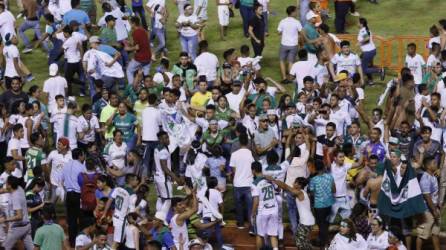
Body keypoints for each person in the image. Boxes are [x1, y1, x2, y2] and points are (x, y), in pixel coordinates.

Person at [62, 148, 86, 248]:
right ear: (80, 155)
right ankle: (81, 242)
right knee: (81, 218)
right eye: (83, 155)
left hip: (69, 194)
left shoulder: (66, 165)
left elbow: (61, 180)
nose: (84, 157)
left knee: (71, 220)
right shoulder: (82, 167)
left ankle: (72, 243)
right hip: (78, 195)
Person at [229, 133, 255, 230]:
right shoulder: (250, 153)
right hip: (249, 183)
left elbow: (233, 170)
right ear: (247, 142)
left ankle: (240, 224)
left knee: (239, 205)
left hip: (238, 183)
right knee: (250, 207)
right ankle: (252, 227)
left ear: (239, 142)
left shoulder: (234, 154)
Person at [0, 176, 34, 250]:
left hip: (17, 228)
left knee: (4, 247)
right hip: (27, 226)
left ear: (9, 185)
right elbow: (5, 190)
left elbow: (19, 216)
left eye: (6, 183)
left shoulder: (15, 197)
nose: (5, 184)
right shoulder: (19, 188)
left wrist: (5, 219)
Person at [277, 5, 302, 84]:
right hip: (293, 45)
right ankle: (290, 79)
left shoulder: (282, 21)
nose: (297, 12)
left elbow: (279, 32)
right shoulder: (297, 22)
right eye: (296, 11)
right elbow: (301, 32)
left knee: (282, 61)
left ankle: (284, 78)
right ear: (292, 12)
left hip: (284, 44)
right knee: (291, 61)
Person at [357, 17, 385, 85]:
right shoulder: (366, 29)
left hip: (368, 52)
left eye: (358, 22)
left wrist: (360, 43)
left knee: (364, 69)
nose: (357, 24)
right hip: (370, 51)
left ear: (361, 24)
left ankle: (380, 70)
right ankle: (370, 81)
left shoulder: (363, 30)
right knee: (368, 66)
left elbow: (367, 38)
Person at [126, 16, 151, 85]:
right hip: (148, 57)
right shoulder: (143, 30)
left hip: (140, 58)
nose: (130, 25)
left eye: (130, 23)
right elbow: (141, 43)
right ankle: (146, 87)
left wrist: (128, 48)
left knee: (129, 70)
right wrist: (130, 43)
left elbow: (137, 47)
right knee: (146, 76)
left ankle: (131, 87)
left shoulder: (135, 32)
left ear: (134, 23)